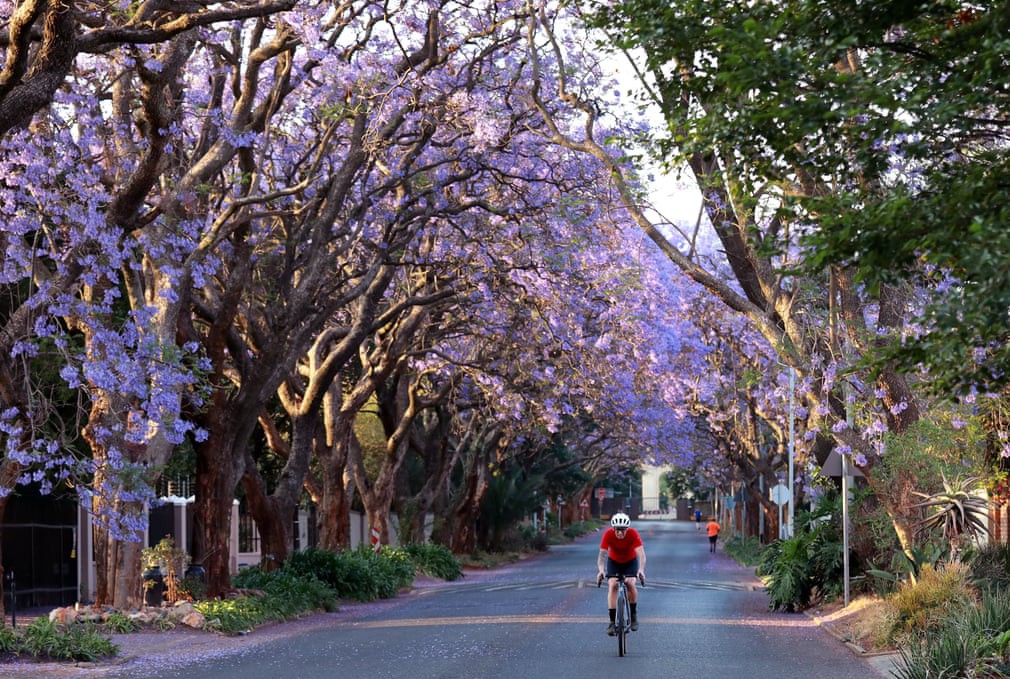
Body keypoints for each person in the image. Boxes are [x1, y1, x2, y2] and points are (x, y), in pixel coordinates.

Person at [597, 512, 646, 636]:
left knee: (630, 582)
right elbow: (602, 555)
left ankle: (633, 616)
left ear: (627, 529)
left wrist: (641, 569)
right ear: (613, 529)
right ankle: (612, 622)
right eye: (617, 530)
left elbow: (641, 554)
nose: (620, 533)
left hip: (630, 561)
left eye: (623, 530)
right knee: (613, 584)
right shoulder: (608, 534)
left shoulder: (633, 534)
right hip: (614, 561)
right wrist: (601, 570)